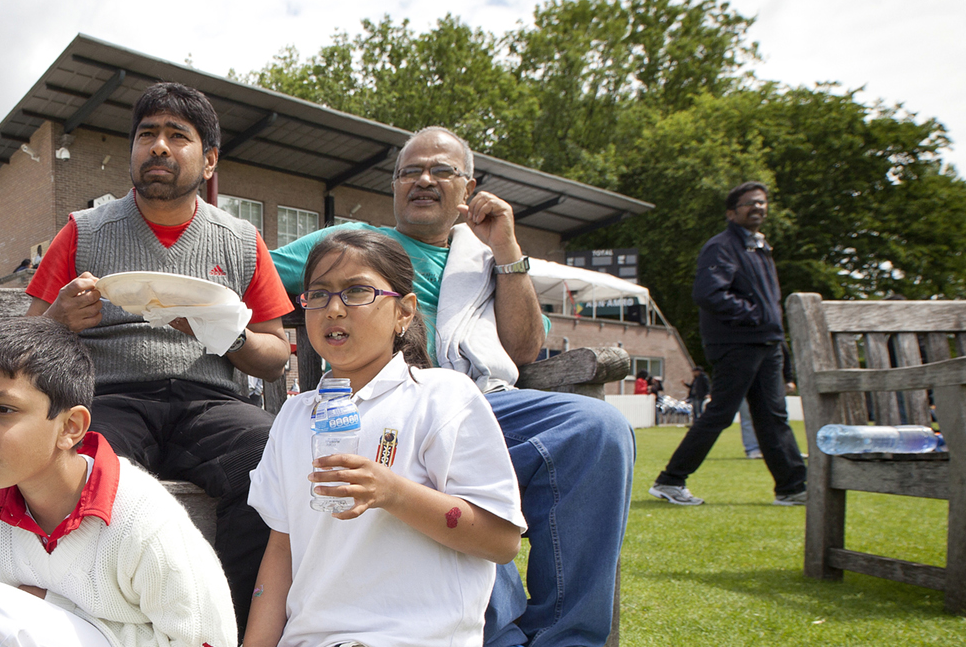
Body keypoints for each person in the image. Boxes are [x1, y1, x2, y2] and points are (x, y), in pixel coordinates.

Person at [270, 127, 635, 647]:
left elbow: (526, 348)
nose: (423, 180)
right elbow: (255, 271)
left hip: (482, 405)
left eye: (441, 170)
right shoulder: (353, 245)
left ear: (469, 188)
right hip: (386, 412)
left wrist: (506, 249)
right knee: (444, 472)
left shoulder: (484, 260)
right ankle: (499, 636)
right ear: (393, 186)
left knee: (600, 428)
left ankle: (566, 637)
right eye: (409, 172)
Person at [26, 82, 295, 626]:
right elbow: (26, 340)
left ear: (209, 158)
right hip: (111, 396)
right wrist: (58, 320)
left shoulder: (240, 241)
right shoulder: (84, 230)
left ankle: (227, 625)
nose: (159, 147)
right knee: (83, 459)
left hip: (210, 401)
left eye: (178, 136)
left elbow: (276, 355)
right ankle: (93, 627)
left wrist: (228, 335)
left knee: (268, 453)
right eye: (147, 134)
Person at [248, 230, 524, 647]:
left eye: (357, 291)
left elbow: (501, 542)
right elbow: (280, 553)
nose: (334, 309)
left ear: (404, 312)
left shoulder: (442, 397)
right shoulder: (294, 415)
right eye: (318, 295)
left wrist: (393, 492)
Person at [0, 316, 236, 647]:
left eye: (3, 409)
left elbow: (206, 639)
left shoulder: (143, 517)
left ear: (71, 427)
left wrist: (54, 605)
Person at [649, 182, 807, 506]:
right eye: (750, 203)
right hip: (738, 343)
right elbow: (709, 292)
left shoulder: (760, 248)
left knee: (773, 416)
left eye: (762, 203)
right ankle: (670, 481)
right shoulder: (721, 247)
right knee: (720, 413)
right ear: (732, 212)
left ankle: (794, 487)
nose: (758, 208)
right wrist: (755, 315)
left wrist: (771, 329)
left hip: (767, 342)